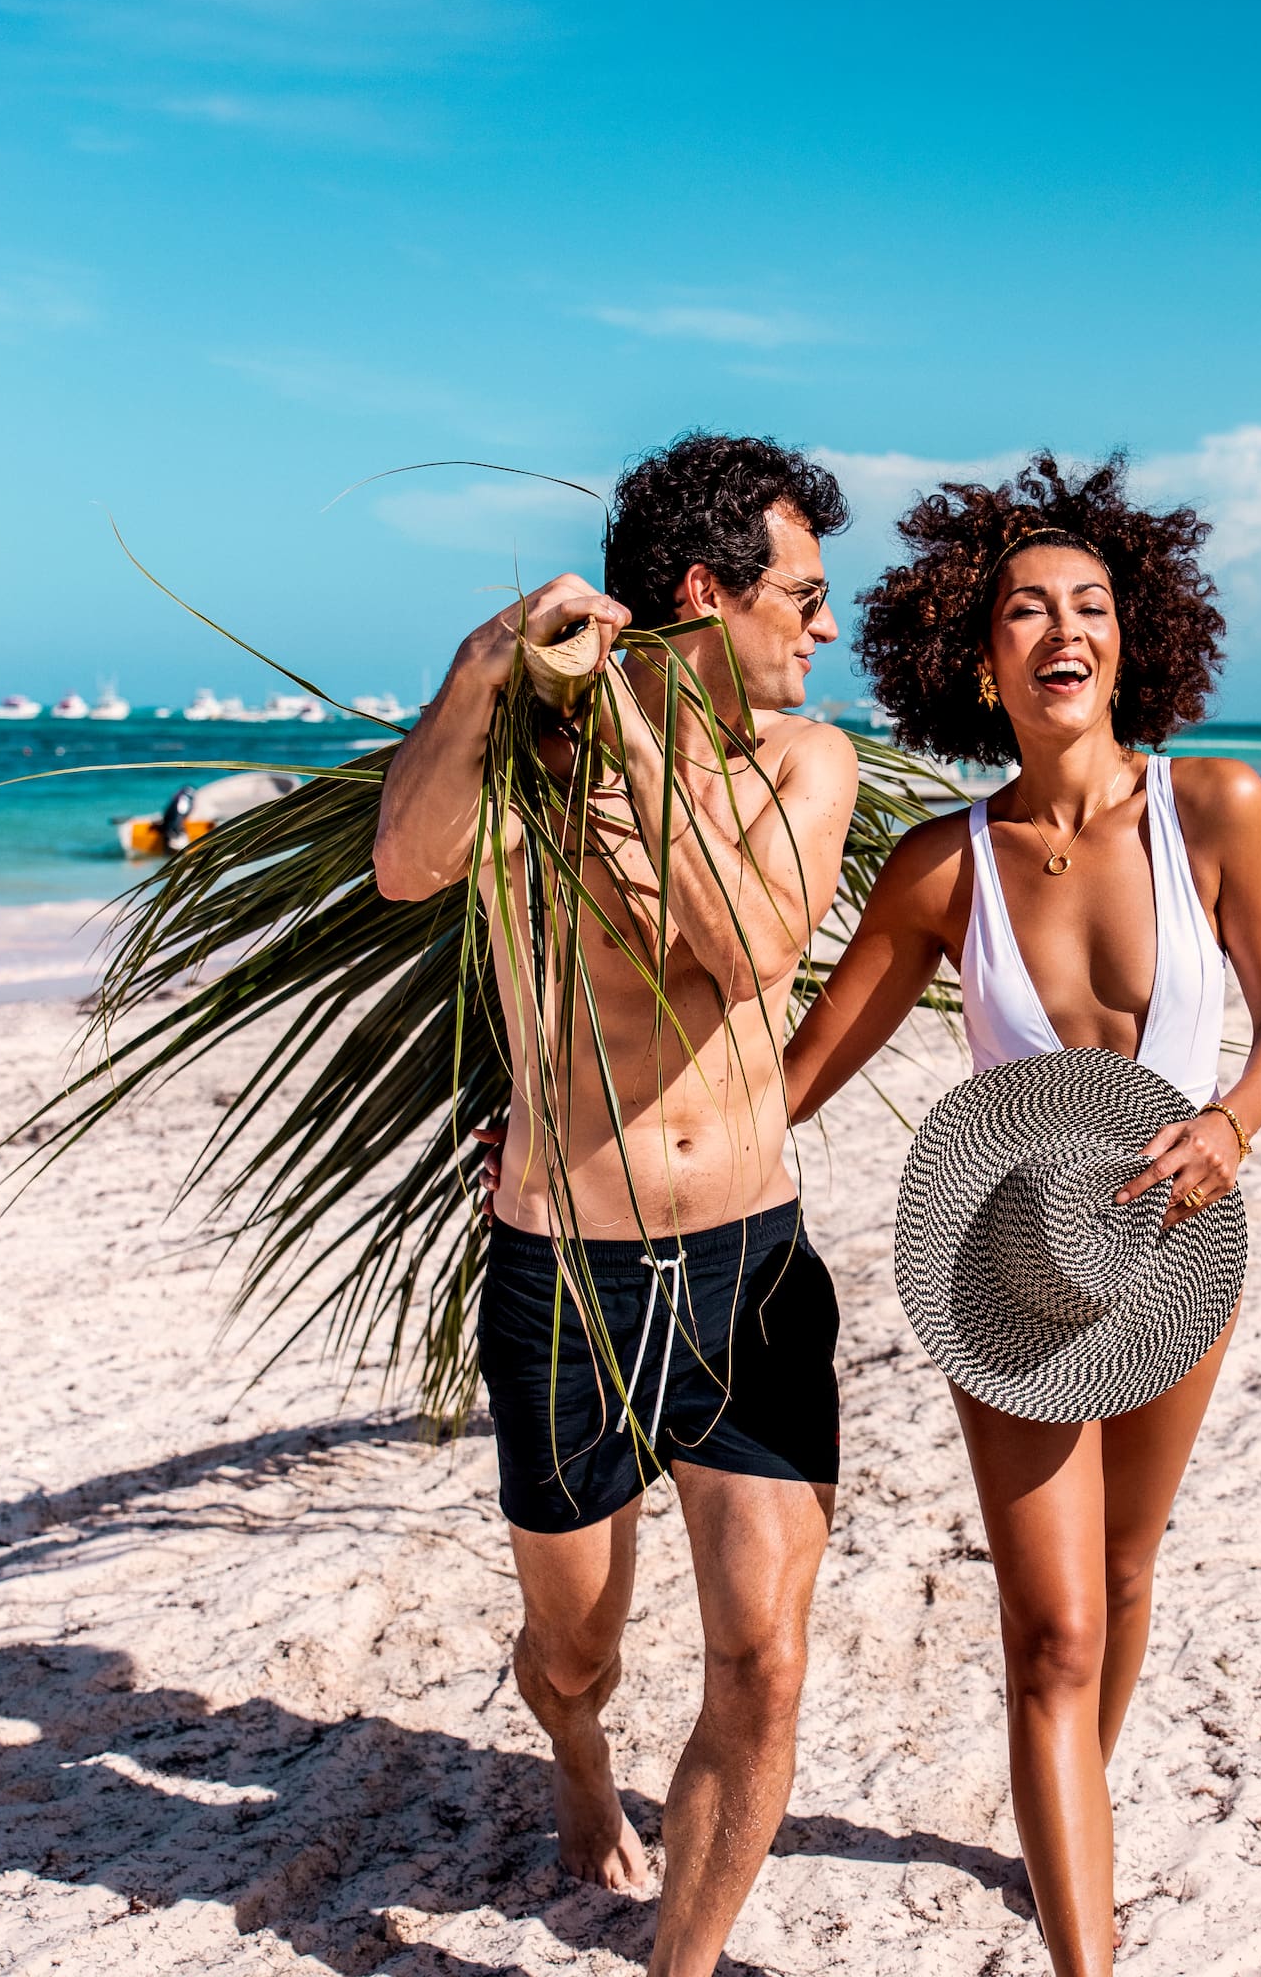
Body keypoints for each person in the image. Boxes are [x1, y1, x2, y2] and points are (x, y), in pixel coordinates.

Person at [779, 453, 1261, 1976]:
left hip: (1170, 1247)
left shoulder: (1215, 807)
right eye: (1026, 610)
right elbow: (800, 1075)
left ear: (1134, 635)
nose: (1062, 630)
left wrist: (1229, 1121)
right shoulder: (944, 867)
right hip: (1007, 1269)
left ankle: (1069, 1798)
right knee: (1054, 1635)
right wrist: (603, 1106)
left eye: (1090, 604)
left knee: (1130, 1577)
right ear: (978, 653)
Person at [373, 433, 861, 1977]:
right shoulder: (524, 766)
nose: (825, 627)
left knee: (763, 1663)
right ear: (709, 595)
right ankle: (578, 1754)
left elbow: (747, 947)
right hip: (566, 1282)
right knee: (576, 1643)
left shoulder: (804, 763)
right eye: (804, 594)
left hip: (746, 1268)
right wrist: (484, 670)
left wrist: (633, 736)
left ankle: (683, 1961)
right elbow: (402, 863)